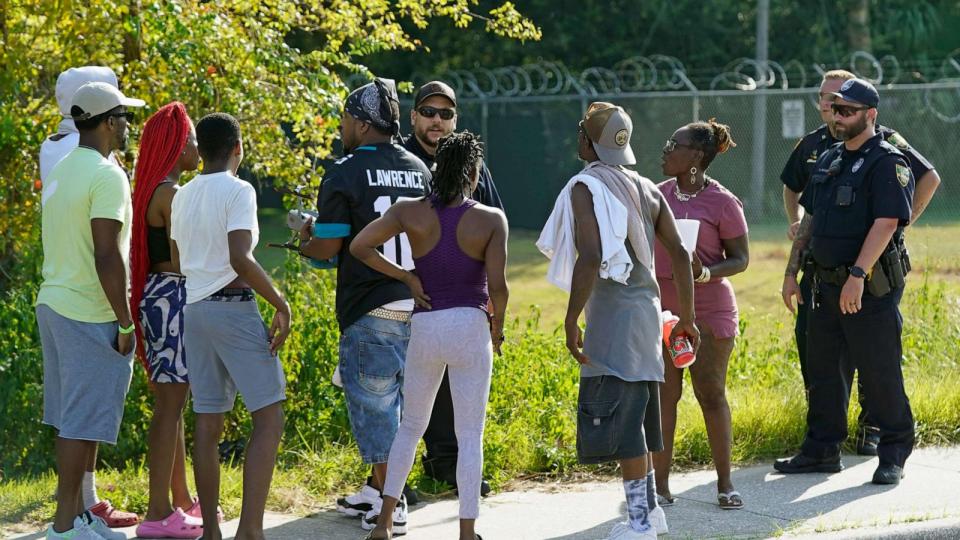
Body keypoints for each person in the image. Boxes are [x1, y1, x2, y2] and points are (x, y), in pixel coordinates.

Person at [539, 102, 699, 540]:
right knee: (642, 418)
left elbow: (591, 256)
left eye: (579, 133)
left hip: (613, 318)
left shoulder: (585, 186)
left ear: (589, 142)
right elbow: (682, 255)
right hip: (647, 315)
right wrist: (686, 317)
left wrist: (572, 318)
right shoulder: (648, 187)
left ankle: (641, 524)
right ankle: (650, 513)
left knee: (625, 424)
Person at [353, 131, 508, 540]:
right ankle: (466, 531)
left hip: (425, 324)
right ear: (473, 174)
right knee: (470, 433)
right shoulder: (491, 219)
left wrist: (406, 276)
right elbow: (500, 287)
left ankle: (384, 522)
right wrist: (499, 326)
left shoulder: (409, 211)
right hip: (470, 326)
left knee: (410, 426)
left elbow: (360, 246)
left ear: (436, 171)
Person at [780, 69, 939, 456]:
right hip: (823, 284)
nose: (836, 116)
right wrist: (790, 273)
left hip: (868, 286)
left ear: (869, 114)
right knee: (824, 374)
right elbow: (811, 218)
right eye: (834, 108)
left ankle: (893, 452)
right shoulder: (829, 157)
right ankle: (821, 451)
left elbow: (887, 222)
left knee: (879, 371)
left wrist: (857, 274)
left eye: (846, 111)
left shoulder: (887, 159)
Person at [298, 78, 431, 531]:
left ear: (359, 123)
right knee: (397, 406)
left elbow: (329, 248)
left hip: (371, 306)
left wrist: (305, 239)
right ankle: (376, 491)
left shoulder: (344, 170)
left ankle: (388, 507)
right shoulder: (420, 168)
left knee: (375, 413)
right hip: (419, 305)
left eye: (343, 120)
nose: (340, 128)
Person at [170, 112, 292, 538]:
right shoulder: (239, 190)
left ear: (199, 151)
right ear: (238, 148)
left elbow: (180, 256)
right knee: (269, 417)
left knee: (207, 422)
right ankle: (251, 531)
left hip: (194, 310)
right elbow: (240, 257)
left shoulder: (182, 195)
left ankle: (211, 532)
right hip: (233, 309)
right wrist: (280, 302)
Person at [36, 81, 145, 540]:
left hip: (54, 302)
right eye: (124, 118)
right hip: (87, 310)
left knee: (71, 417)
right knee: (80, 421)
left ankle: (76, 519)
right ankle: (63, 528)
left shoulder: (64, 169)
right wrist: (125, 321)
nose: (127, 127)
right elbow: (107, 254)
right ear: (106, 123)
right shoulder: (107, 175)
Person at [403, 80, 503, 495]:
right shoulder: (401, 161)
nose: (437, 121)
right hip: (404, 294)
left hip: (460, 299)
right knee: (397, 391)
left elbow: (495, 227)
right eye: (429, 111)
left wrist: (493, 307)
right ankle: (384, 481)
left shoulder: (471, 164)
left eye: (446, 114)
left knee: (455, 387)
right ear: (413, 116)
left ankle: (449, 464)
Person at [652, 120, 749, 510]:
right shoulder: (655, 196)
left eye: (673, 144)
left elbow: (741, 259)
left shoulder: (724, 202)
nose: (665, 150)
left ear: (695, 157)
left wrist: (706, 272)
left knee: (710, 394)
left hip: (710, 309)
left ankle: (725, 484)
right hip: (662, 309)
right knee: (664, 397)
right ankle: (659, 486)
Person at [129, 102, 215, 539]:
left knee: (172, 404)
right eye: (194, 141)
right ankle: (158, 512)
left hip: (156, 296)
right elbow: (188, 260)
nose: (199, 149)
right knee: (169, 407)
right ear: (178, 146)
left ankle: (179, 499)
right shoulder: (172, 194)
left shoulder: (150, 189)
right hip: (173, 297)